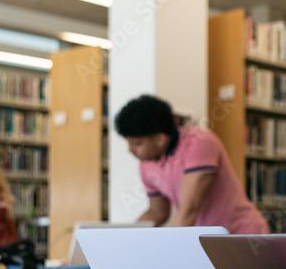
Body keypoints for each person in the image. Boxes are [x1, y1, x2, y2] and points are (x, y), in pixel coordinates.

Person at [114, 95, 268, 233]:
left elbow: (189, 211)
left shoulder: (199, 143)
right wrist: (126, 236)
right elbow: (158, 212)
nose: (130, 150)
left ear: (160, 139)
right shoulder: (147, 164)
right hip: (208, 241)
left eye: (137, 144)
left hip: (241, 235)